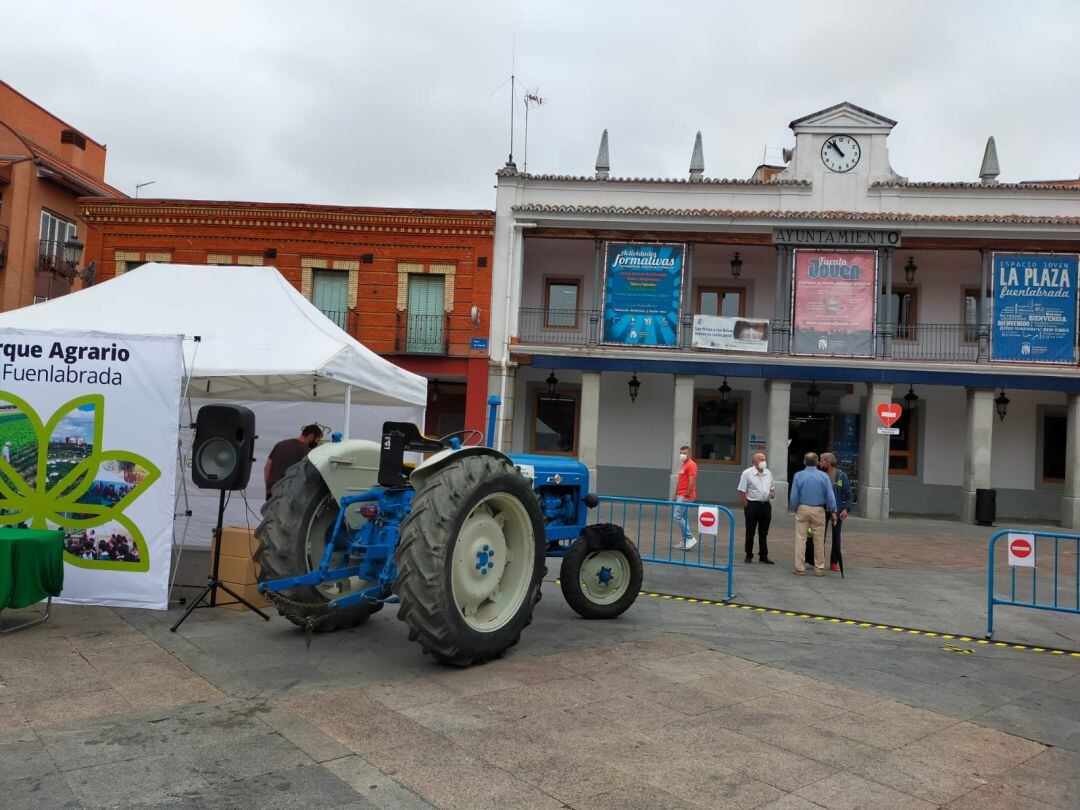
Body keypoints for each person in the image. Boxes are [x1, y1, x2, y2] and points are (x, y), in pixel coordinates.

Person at [789, 451, 836, 577]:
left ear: (804, 462)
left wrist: (795, 507)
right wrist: (833, 510)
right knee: (819, 540)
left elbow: (794, 496)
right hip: (818, 509)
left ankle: (799, 568)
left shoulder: (798, 475)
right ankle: (819, 568)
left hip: (803, 508)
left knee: (800, 538)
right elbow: (830, 495)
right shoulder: (824, 476)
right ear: (817, 463)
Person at [264, 424, 323, 499]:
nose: (317, 444)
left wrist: (268, 488)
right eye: (317, 440)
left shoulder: (280, 444)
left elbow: (267, 467)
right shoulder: (307, 452)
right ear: (311, 436)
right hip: (290, 495)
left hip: (272, 490)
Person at [737, 452, 775, 564]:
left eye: (764, 459)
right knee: (750, 531)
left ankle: (763, 555)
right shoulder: (747, 473)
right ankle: (748, 554)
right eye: (761, 459)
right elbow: (742, 490)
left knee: (764, 532)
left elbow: (772, 488)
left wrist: (772, 493)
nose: (764, 461)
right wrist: (746, 506)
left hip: (766, 505)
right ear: (754, 462)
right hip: (752, 505)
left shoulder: (768, 473)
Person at [819, 452, 853, 572]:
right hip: (822, 511)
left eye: (822, 460)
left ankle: (834, 562)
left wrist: (846, 509)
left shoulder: (841, 476)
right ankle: (819, 561)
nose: (819, 463)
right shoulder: (820, 475)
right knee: (819, 537)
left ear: (828, 462)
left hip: (837, 511)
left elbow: (849, 496)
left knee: (836, 537)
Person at [673, 445, 698, 551]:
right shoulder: (683, 464)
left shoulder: (692, 465)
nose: (682, 455)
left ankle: (689, 538)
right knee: (683, 517)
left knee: (677, 516)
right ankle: (685, 541)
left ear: (689, 454)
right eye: (681, 453)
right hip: (681, 494)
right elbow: (680, 480)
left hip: (686, 495)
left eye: (684, 453)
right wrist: (676, 494)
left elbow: (692, 481)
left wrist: (686, 496)